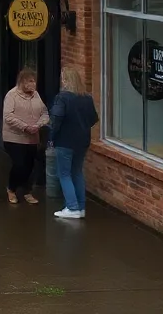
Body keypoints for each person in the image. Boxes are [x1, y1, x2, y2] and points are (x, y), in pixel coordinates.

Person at [50, 67, 98, 220]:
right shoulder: (87, 98)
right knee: (77, 172)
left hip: (65, 141)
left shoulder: (62, 98)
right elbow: (93, 119)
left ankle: (72, 207)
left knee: (64, 174)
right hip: (83, 141)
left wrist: (51, 137)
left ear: (65, 80)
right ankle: (81, 207)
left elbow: (56, 120)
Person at [2, 68, 49, 204]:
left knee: (29, 166)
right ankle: (11, 188)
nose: (33, 84)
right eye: (30, 81)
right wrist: (25, 126)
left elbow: (45, 113)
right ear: (22, 82)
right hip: (14, 137)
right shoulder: (12, 95)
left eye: (34, 81)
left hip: (32, 138)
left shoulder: (36, 95)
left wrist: (38, 125)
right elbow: (8, 116)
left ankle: (27, 191)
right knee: (19, 164)